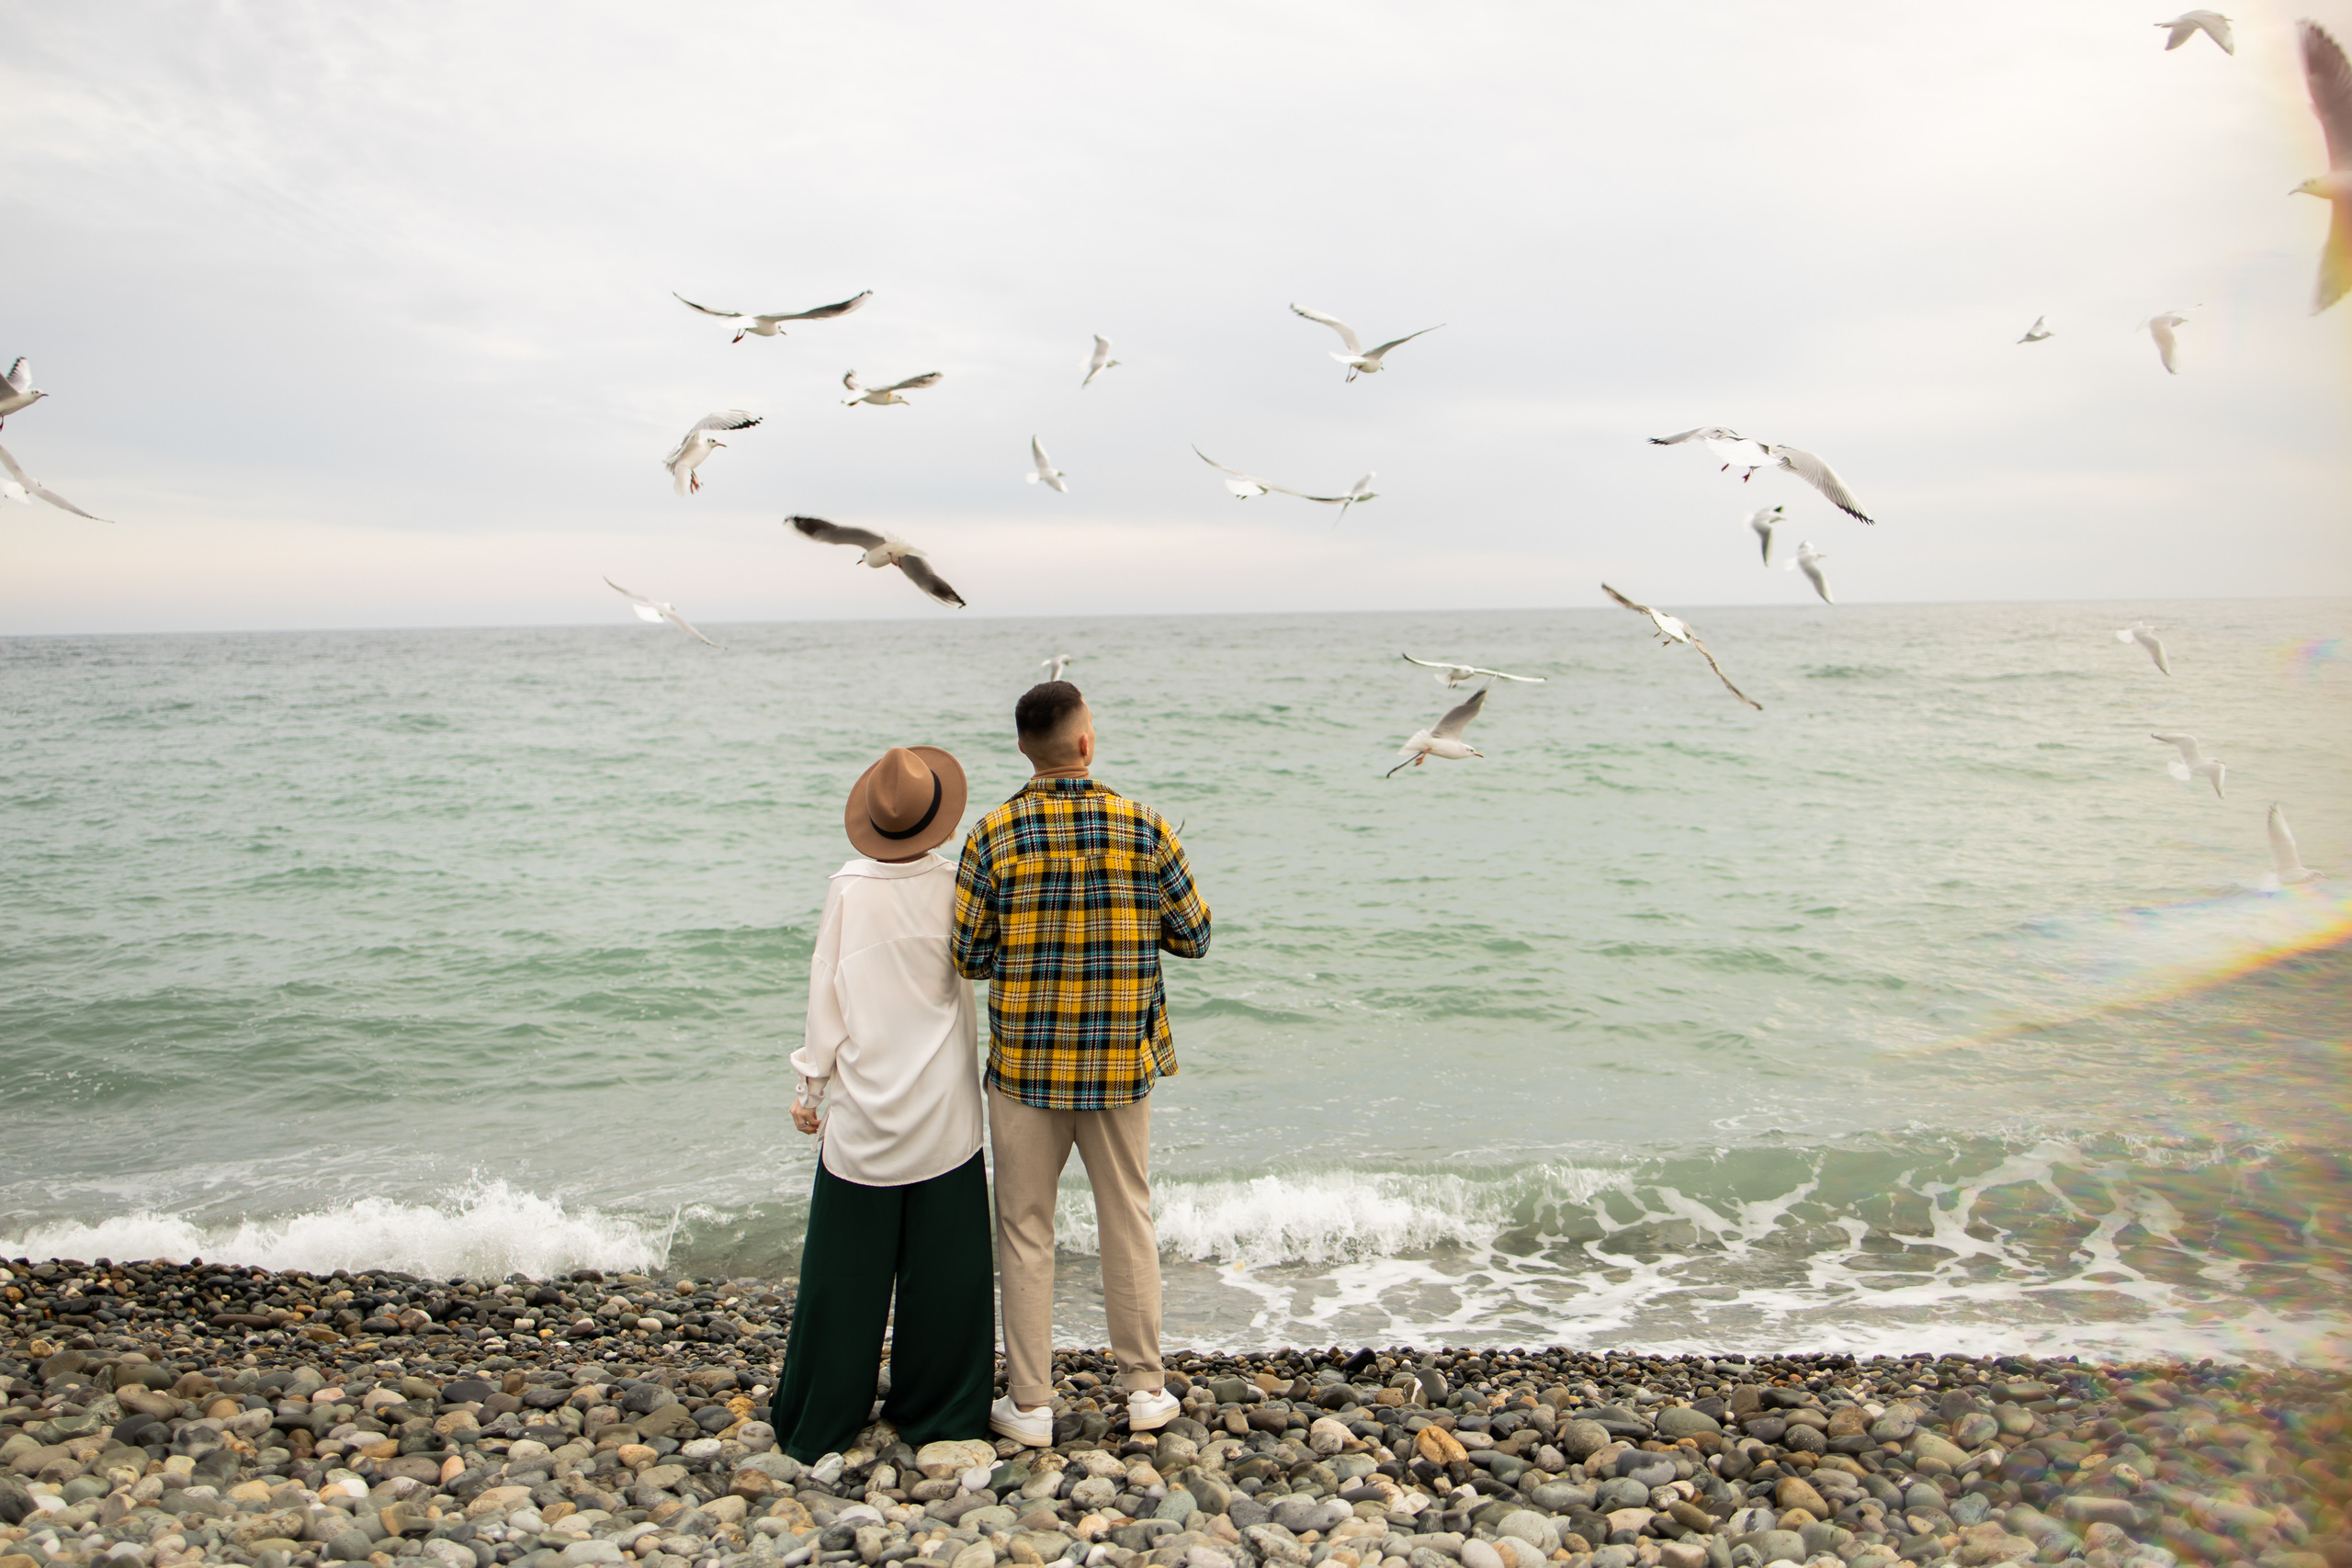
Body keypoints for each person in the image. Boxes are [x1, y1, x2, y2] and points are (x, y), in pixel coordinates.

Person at [949, 681, 1212, 1445]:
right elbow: (1194, 936)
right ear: (1085, 743)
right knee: (1126, 1215)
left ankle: (1030, 1403)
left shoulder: (992, 834)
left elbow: (967, 956)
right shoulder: (1144, 825)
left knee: (1025, 1228)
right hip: (1118, 1064)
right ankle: (1144, 1391)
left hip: (1026, 1068)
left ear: (1024, 749)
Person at [768, 744, 993, 1462]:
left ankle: (824, 1412)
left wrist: (811, 1085)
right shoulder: (957, 881)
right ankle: (940, 1408)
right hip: (945, 1113)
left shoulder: (848, 888)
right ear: (937, 821)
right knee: (945, 1276)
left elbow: (826, 993)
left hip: (865, 1114)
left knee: (844, 1279)